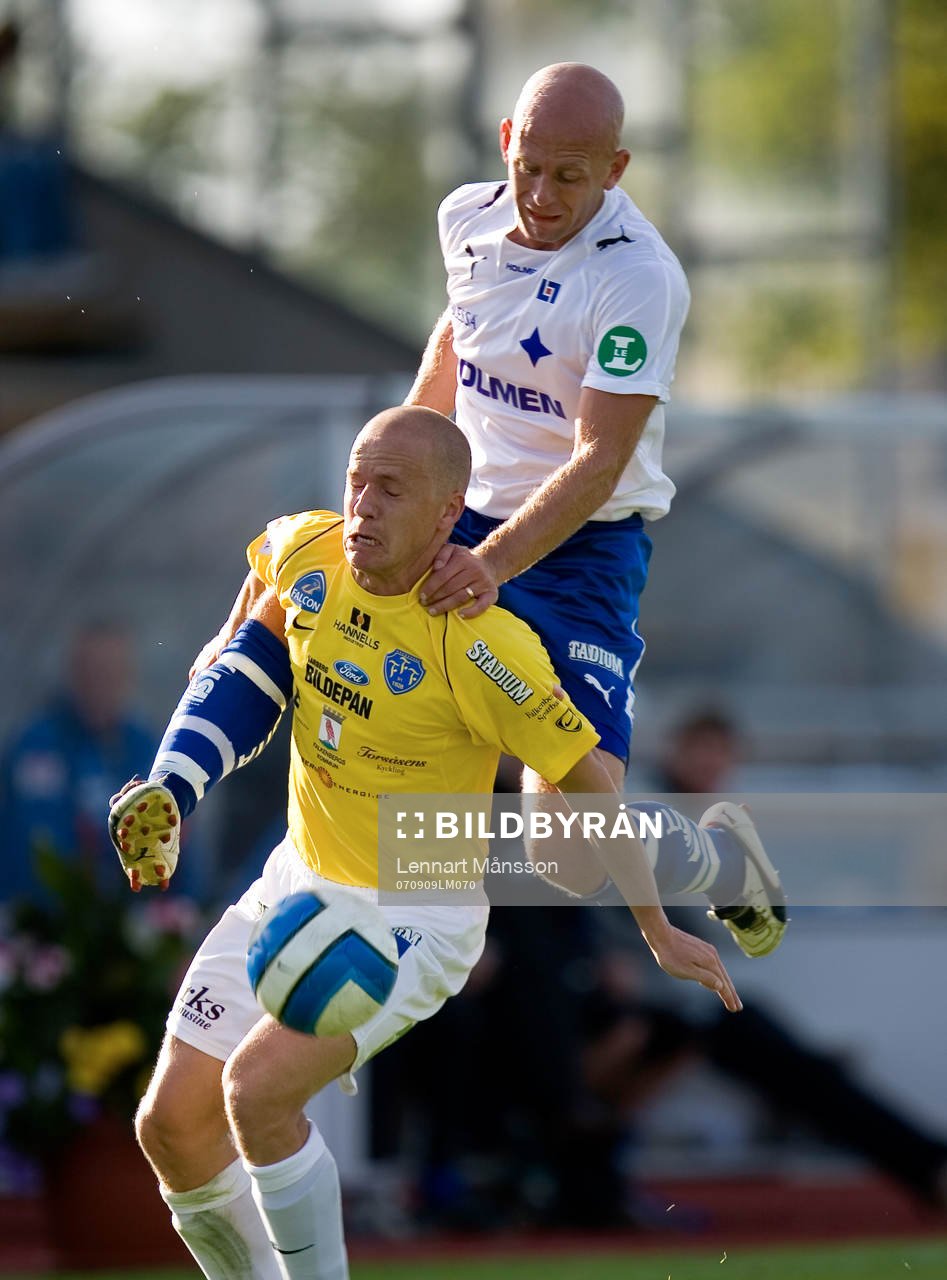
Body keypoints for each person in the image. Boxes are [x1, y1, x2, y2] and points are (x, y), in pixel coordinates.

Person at [107, 407, 754, 1280]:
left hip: (412, 910)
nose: (363, 506)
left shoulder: (485, 645)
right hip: (297, 883)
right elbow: (255, 648)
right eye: (356, 481)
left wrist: (654, 928)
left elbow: (591, 783)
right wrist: (173, 782)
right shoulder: (307, 553)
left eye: (391, 489)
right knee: (169, 1128)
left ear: (450, 514)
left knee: (257, 1093)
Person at [192, 62, 786, 963]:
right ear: (507, 142)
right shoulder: (465, 220)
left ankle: (713, 856)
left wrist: (495, 563)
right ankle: (252, 791)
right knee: (335, 627)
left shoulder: (640, 281)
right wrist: (398, 472)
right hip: (460, 519)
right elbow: (459, 333)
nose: (541, 196)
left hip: (581, 552)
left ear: (616, 171)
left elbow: (600, 460)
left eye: (571, 176)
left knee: (561, 853)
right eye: (529, 167)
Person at [0, 620, 200, 902]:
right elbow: (27, 841)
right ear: (74, 673)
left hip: (129, 922)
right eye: (92, 672)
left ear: (128, 678)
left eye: (111, 673)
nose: (101, 684)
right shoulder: (36, 746)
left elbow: (177, 837)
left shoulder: (147, 750)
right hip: (42, 919)